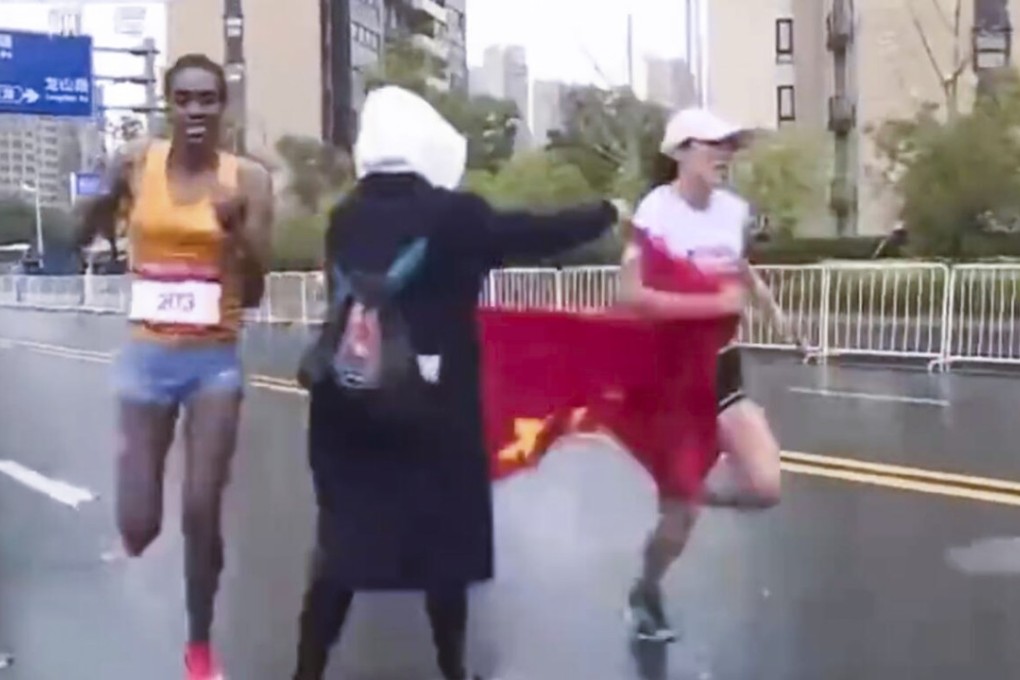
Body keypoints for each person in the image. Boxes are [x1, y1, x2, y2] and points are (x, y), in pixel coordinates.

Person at [291, 85, 618, 680]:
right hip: (432, 405)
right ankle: (453, 670)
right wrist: (607, 212)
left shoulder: (344, 218)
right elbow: (536, 234)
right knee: (443, 546)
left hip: (348, 401)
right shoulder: (456, 216)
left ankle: (306, 671)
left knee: (340, 548)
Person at [76, 53, 273, 680]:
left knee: (201, 508)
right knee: (139, 527)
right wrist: (104, 192)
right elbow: (81, 235)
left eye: (207, 99)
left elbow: (257, 290)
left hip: (214, 362)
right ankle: (133, 516)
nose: (195, 111)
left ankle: (199, 643)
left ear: (223, 107)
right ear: (169, 104)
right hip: (147, 361)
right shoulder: (138, 164)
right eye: (183, 99)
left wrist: (236, 233)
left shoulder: (248, 179)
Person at [618, 108, 788, 643]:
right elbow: (631, 295)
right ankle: (646, 590)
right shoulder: (655, 212)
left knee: (765, 486)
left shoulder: (733, 210)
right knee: (677, 523)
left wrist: (772, 309)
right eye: (715, 144)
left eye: (730, 145)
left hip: (723, 371)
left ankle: (694, 489)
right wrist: (711, 306)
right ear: (681, 152)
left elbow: (737, 266)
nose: (725, 155)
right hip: (672, 379)